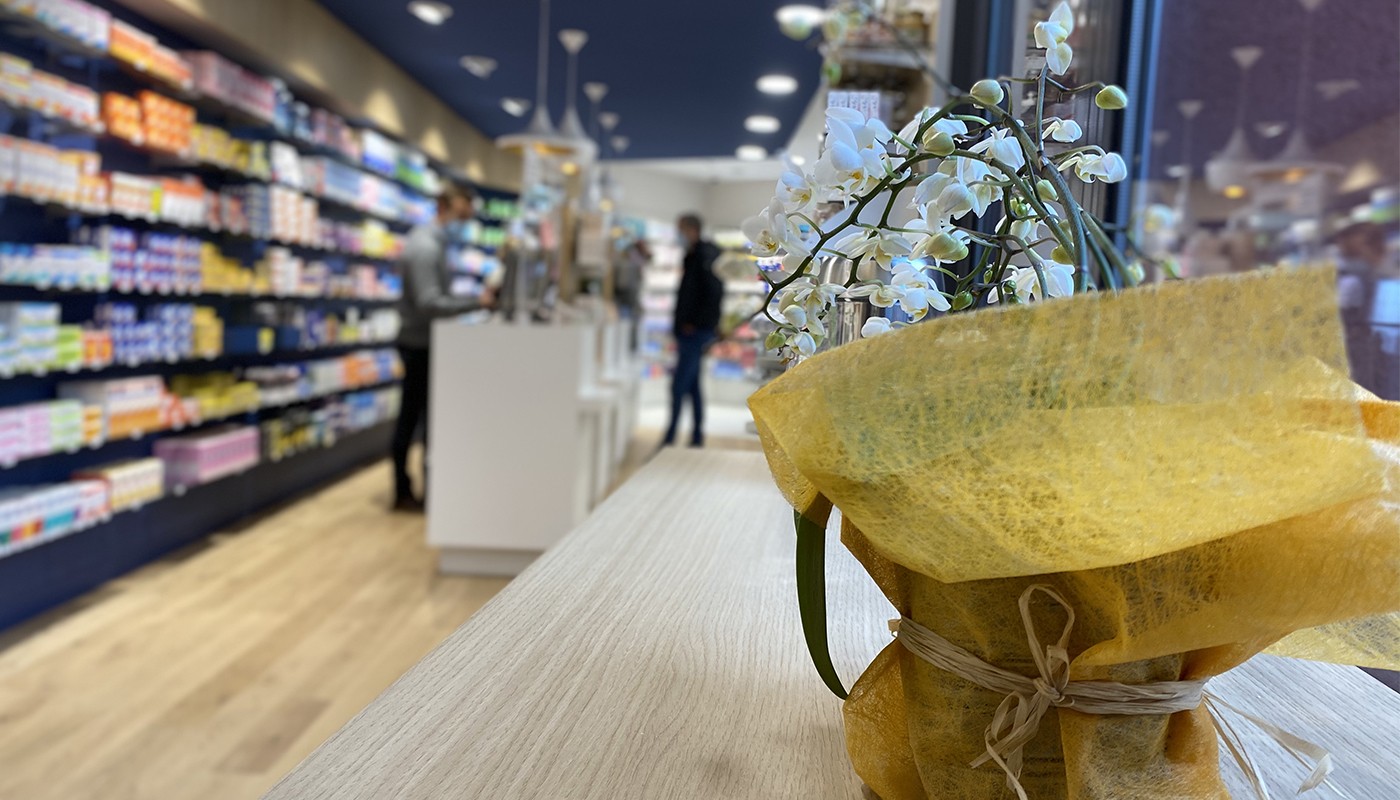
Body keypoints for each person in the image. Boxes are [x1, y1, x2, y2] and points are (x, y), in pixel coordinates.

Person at [391, 185, 494, 512]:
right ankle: (406, 491)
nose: (464, 222)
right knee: (414, 420)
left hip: (425, 342)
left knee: (419, 418)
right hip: (418, 344)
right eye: (462, 214)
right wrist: (475, 303)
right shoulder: (424, 248)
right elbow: (428, 302)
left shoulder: (435, 244)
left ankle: (423, 490)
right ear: (444, 207)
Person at [664, 214, 723, 448]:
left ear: (691, 229)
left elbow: (712, 293)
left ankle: (669, 438)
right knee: (692, 385)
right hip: (692, 330)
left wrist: (695, 323)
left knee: (679, 386)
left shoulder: (703, 256)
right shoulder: (694, 255)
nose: (678, 235)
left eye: (680, 229)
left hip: (695, 332)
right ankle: (696, 437)